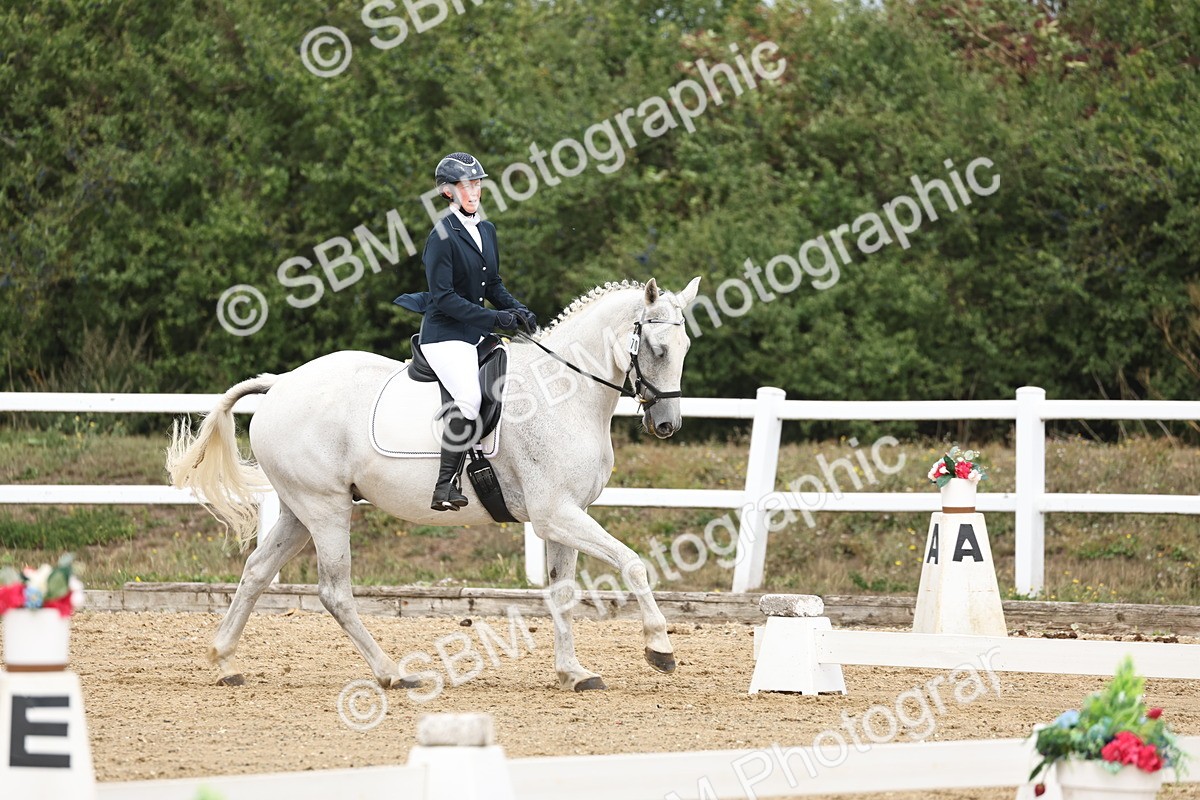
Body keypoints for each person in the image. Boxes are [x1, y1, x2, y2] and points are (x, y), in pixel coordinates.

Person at [400, 152, 536, 511]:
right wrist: (494, 321)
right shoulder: (441, 236)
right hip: (445, 336)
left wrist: (516, 309)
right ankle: (444, 486)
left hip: (473, 332)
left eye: (476, 183)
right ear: (448, 192)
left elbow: (492, 283)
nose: (473, 191)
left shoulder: (486, 229)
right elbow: (443, 298)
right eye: (465, 185)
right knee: (470, 399)